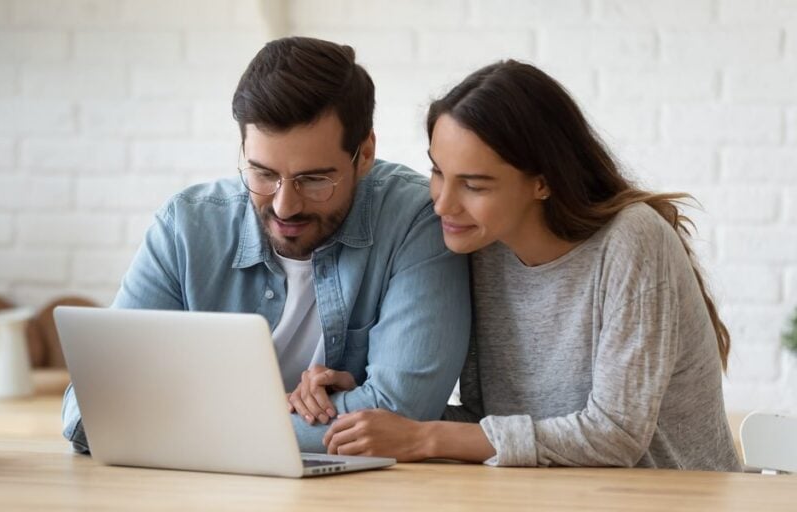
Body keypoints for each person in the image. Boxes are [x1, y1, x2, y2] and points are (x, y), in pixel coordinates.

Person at [318, 60, 741, 471]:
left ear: (542, 182)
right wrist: (379, 416)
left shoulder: (632, 240)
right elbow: (496, 429)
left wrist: (425, 437)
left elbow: (615, 434)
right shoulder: (483, 248)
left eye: (474, 184)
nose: (442, 202)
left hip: (672, 497)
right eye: (438, 172)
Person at [61, 37, 471, 454]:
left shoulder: (415, 220)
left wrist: (183, 422)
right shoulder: (185, 227)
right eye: (262, 173)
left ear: (364, 154)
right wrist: (274, 415)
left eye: (313, 180)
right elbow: (89, 411)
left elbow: (402, 412)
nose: (284, 206)